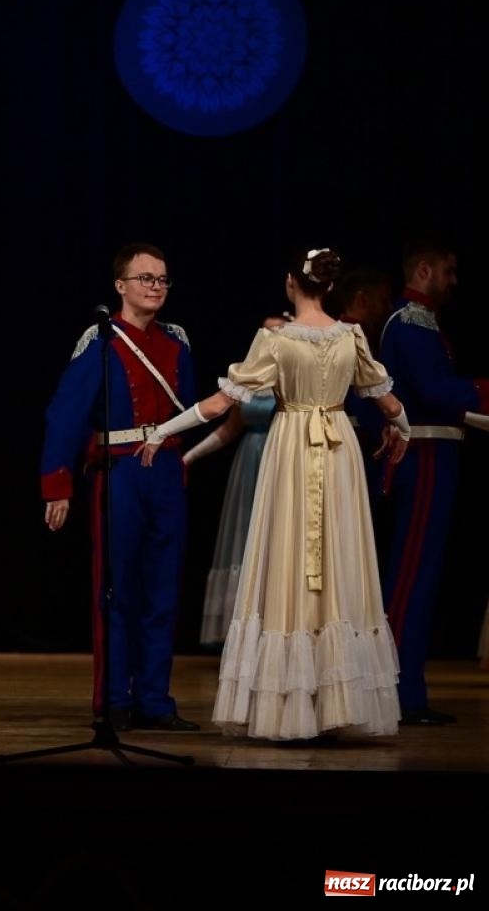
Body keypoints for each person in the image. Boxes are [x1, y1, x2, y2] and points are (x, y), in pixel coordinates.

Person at [142, 247, 411, 741]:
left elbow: (222, 402)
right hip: (337, 453)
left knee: (292, 565)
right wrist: (404, 431)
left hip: (293, 449)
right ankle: (334, 700)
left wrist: (161, 431)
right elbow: (387, 400)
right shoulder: (350, 335)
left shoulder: (276, 339)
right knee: (335, 564)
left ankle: (297, 704)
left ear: (292, 282)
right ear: (329, 287)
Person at [40, 243, 199, 731]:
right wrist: (57, 485)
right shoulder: (102, 339)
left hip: (166, 473)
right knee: (117, 590)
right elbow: (65, 413)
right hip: (120, 473)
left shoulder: (176, 341)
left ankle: (154, 699)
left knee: (163, 591)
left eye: (162, 279)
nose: (155, 287)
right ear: (120, 286)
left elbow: (187, 408)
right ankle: (113, 699)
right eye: (145, 278)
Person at [374, 239, 488, 725]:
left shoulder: (421, 322)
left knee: (420, 576)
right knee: (411, 578)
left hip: (436, 453)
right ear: (424, 270)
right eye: (448, 269)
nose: (453, 280)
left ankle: (407, 690)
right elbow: (433, 390)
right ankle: (399, 692)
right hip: (422, 454)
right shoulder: (411, 322)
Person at [183, 318, 284, 649]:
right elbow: (227, 429)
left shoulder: (293, 377)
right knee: (245, 537)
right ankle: (244, 633)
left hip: (282, 459)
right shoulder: (247, 379)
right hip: (249, 462)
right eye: (266, 331)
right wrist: (188, 457)